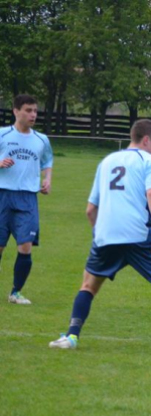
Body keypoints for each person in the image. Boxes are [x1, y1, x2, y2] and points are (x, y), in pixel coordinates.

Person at [49, 119, 151, 352]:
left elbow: (90, 210)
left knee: (88, 285)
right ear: (146, 140)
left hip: (106, 234)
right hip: (138, 235)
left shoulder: (107, 161)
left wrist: (100, 234)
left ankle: (71, 337)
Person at [0, 94, 53, 305]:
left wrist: (47, 179)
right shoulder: (3, 134)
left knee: (25, 246)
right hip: (3, 195)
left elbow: (47, 160)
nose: (33, 115)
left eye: (35, 111)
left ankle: (16, 293)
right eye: (28, 110)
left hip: (28, 198)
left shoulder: (41, 140)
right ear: (16, 111)